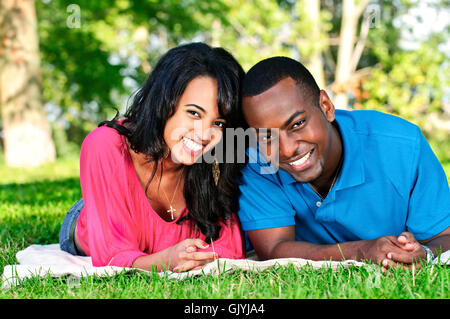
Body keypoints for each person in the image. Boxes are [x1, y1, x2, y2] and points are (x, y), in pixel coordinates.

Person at [237, 56, 450, 269]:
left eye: (298, 124)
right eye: (266, 136)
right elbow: (274, 249)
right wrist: (362, 251)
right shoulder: (257, 163)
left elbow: (445, 235)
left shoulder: (402, 145)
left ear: (326, 106)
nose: (286, 149)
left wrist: (424, 254)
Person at [59, 43, 246, 272]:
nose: (205, 134)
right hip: (95, 215)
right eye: (194, 113)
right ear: (164, 102)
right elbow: (111, 257)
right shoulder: (105, 145)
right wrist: (166, 260)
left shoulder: (216, 159)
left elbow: (230, 252)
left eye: (218, 123)